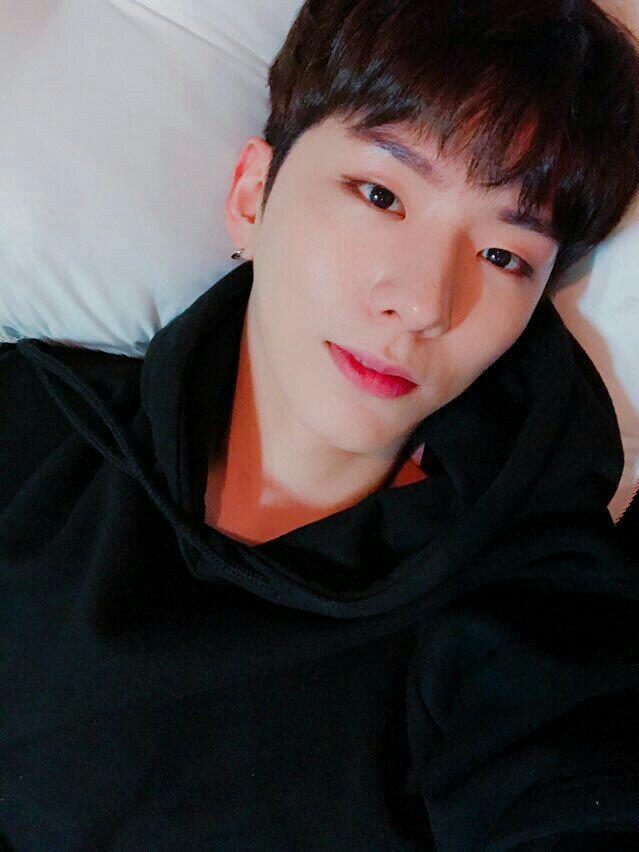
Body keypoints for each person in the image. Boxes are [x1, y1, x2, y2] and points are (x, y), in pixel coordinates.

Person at [2, 1, 639, 848]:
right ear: (252, 195)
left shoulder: (525, 610)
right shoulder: (33, 427)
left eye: (503, 256)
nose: (423, 302)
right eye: (380, 195)